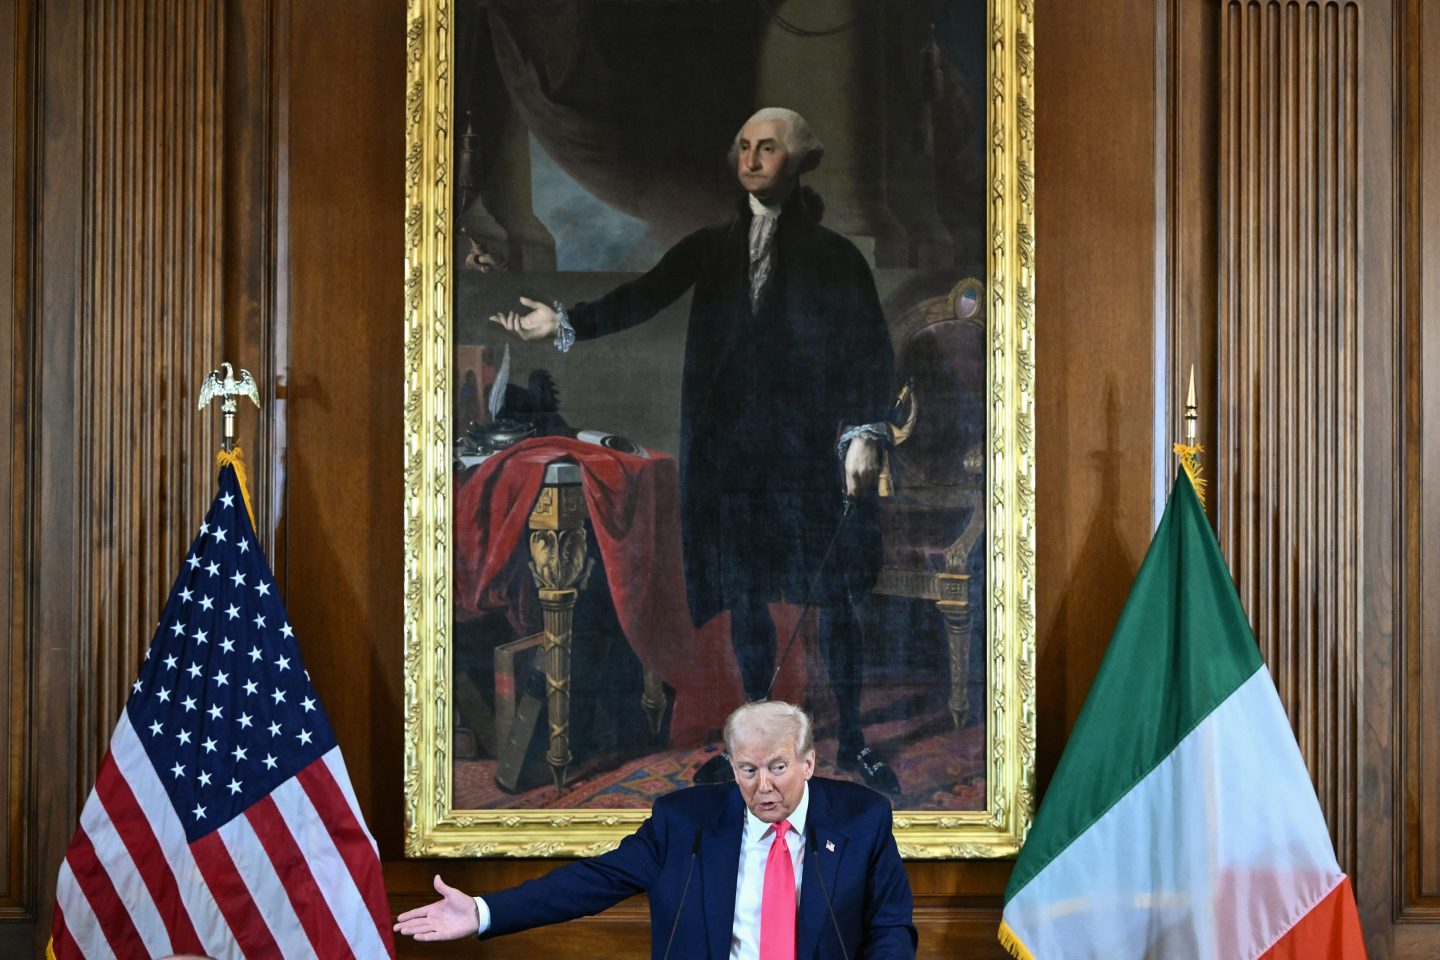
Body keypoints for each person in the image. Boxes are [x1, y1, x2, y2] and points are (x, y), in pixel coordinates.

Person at [490, 107, 899, 792]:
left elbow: (870, 351)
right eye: (744, 146)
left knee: (832, 600)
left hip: (808, 459)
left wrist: (865, 434)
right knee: (746, 600)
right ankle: (758, 740)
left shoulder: (837, 258)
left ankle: (853, 739)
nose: (751, 158)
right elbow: (642, 295)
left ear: (798, 161)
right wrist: (561, 322)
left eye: (768, 148)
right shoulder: (711, 246)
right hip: (731, 463)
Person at [394, 700, 917, 959]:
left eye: (778, 768)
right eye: (747, 769)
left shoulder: (862, 819)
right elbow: (592, 882)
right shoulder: (684, 823)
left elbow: (891, 930)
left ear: (808, 763)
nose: (763, 787)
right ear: (731, 766)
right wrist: (484, 911)